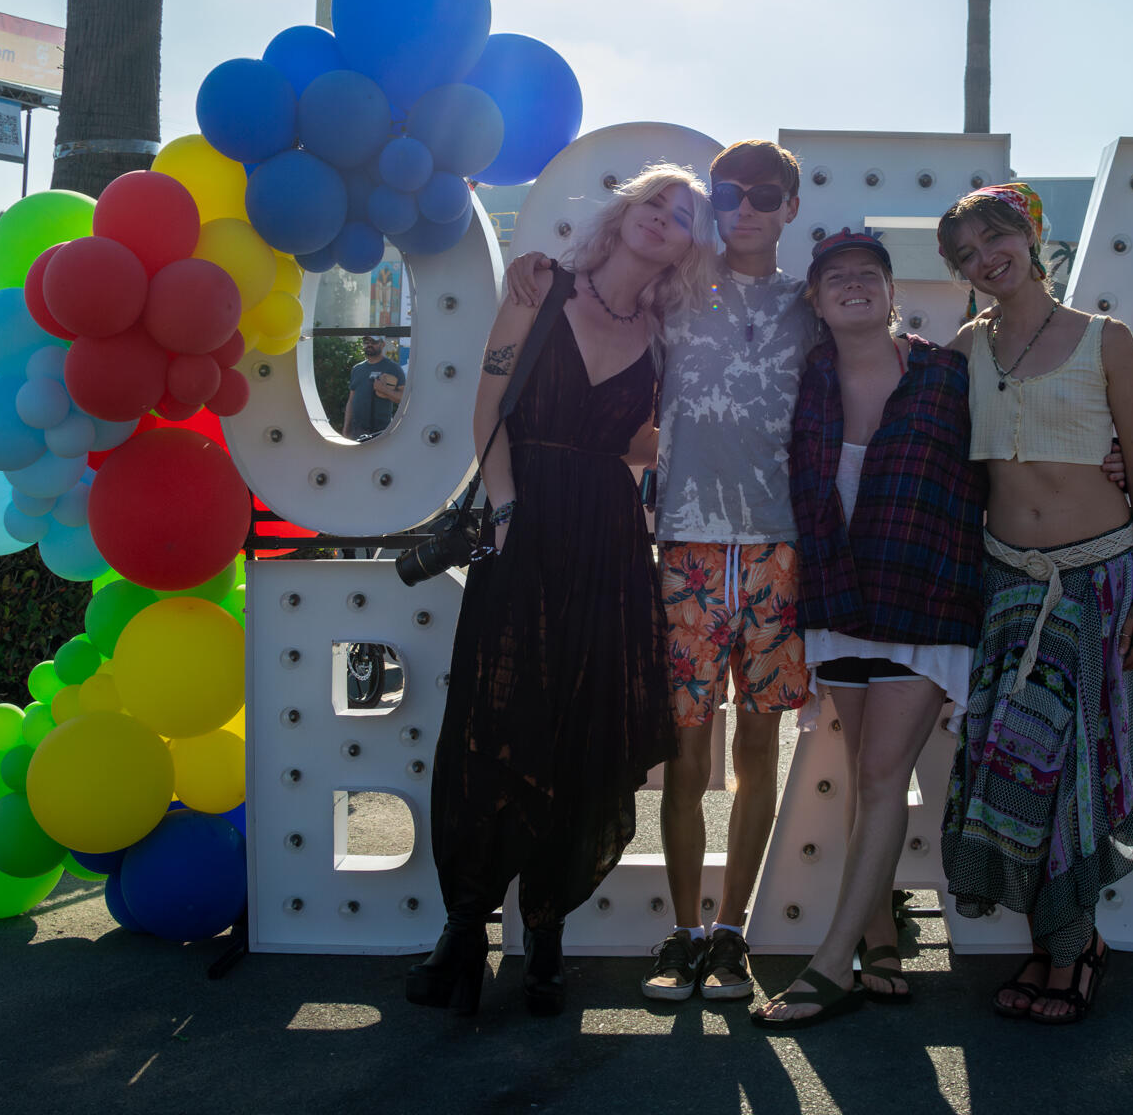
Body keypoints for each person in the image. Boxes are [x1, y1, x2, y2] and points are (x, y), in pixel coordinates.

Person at [507, 139, 820, 1004]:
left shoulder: (813, 307)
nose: (746, 206)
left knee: (760, 746)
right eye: (730, 192)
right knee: (687, 753)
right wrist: (536, 274)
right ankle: (683, 935)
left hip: (777, 551)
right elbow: (596, 314)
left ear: (791, 206)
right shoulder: (676, 299)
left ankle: (732, 934)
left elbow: (887, 365)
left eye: (766, 193)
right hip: (681, 547)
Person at [411, 164, 718, 1018]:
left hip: (611, 543)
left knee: (583, 732)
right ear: (623, 215)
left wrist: (719, 441)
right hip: (525, 526)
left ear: (689, 245)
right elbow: (489, 409)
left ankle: (544, 935)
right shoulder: (541, 287)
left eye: (683, 215)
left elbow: (642, 442)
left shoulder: (664, 335)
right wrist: (506, 511)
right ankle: (464, 930)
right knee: (490, 726)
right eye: (655, 203)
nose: (664, 219)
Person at [937, 183, 1133, 1026]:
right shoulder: (963, 348)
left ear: (1030, 236)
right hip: (1005, 586)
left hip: (1100, 583)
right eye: (964, 254)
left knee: (1077, 766)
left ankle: (1067, 953)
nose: (983, 260)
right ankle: (1065, 943)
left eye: (994, 239)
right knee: (1017, 768)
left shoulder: (1105, 339)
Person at [750, 229, 986, 1029]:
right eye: (836, 278)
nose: (853, 285)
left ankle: (832, 964)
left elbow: (1010, 455)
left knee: (883, 774)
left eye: (868, 275)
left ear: (891, 294)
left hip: (923, 598)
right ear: (815, 302)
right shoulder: (802, 380)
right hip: (837, 597)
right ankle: (881, 935)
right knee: (860, 772)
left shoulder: (947, 375)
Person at [342, 334, 405, 438]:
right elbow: (351, 400)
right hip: (357, 431)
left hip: (382, 432)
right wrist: (346, 428)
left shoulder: (394, 368)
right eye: (366, 342)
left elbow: (404, 399)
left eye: (374, 342)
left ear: (383, 344)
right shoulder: (357, 369)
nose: (369, 345)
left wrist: (384, 390)